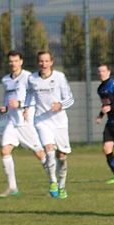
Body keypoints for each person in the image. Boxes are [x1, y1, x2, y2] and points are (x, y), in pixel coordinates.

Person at [0, 50, 47, 198]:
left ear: (21, 62)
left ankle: (55, 182)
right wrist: (5, 108)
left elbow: (35, 97)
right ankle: (12, 187)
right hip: (13, 121)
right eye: (11, 61)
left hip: (25, 122)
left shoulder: (29, 77)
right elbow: (8, 98)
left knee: (39, 153)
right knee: (5, 151)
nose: (13, 64)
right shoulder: (5, 79)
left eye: (16, 61)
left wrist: (22, 105)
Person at [26, 50, 74, 199]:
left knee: (62, 156)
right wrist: (26, 107)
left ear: (51, 62)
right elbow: (29, 95)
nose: (43, 64)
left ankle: (62, 186)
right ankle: (52, 182)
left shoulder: (59, 77)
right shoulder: (32, 78)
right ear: (37, 62)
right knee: (48, 149)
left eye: (46, 61)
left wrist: (60, 105)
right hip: (42, 120)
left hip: (59, 122)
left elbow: (70, 99)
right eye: (41, 61)